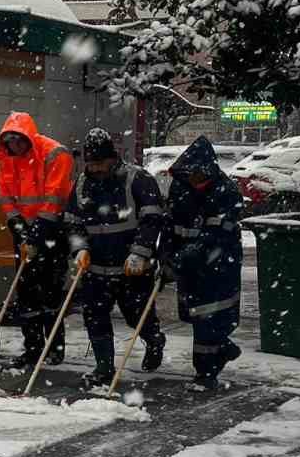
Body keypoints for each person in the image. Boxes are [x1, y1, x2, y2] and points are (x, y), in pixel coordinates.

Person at [66, 128, 167, 387]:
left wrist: (140, 252)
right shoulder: (81, 184)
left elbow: (152, 218)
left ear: (113, 158)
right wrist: (79, 249)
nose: (96, 168)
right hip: (96, 267)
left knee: (137, 315)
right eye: (91, 163)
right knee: (95, 316)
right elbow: (72, 223)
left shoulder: (138, 179)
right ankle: (104, 367)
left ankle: (154, 340)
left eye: (101, 163)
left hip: (131, 266)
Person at [0, 112, 75, 368]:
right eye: (9, 142)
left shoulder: (54, 154)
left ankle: (55, 347)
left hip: (52, 230)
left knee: (50, 291)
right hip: (26, 233)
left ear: (28, 137)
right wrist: (20, 232)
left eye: (18, 141)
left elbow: (54, 201)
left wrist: (36, 236)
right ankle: (33, 347)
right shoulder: (6, 160)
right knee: (26, 291)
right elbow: (7, 200)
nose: (14, 146)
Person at [166, 136, 245, 390]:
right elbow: (170, 227)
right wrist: (167, 256)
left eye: (199, 175)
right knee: (193, 314)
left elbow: (216, 235)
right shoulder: (180, 189)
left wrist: (190, 254)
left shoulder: (226, 192)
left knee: (208, 317)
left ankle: (206, 373)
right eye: (191, 175)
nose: (195, 180)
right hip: (188, 266)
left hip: (218, 265)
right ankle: (222, 348)